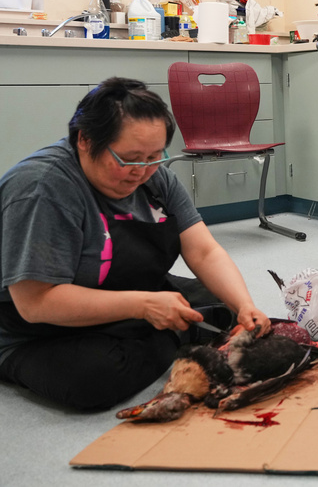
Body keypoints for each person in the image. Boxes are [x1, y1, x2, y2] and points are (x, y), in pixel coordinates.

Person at [0, 77, 271, 411]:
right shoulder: (42, 188)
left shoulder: (155, 176)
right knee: (93, 379)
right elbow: (36, 303)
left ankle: (162, 329)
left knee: (225, 302)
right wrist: (143, 306)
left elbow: (204, 250)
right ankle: (174, 334)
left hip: (126, 290)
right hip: (36, 329)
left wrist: (244, 304)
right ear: (85, 140)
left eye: (155, 156)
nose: (141, 171)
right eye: (129, 159)